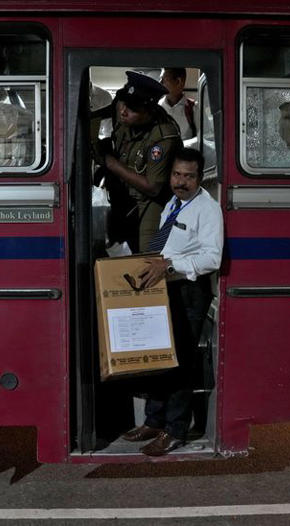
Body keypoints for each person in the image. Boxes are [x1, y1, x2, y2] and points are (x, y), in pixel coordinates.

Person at [121, 147, 223, 456]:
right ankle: (154, 420)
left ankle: (175, 429)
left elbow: (212, 257)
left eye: (188, 177)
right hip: (165, 288)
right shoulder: (173, 204)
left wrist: (169, 267)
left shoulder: (207, 209)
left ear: (199, 177)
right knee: (159, 356)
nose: (181, 182)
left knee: (180, 362)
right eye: (177, 175)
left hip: (189, 291)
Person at [92, 71, 182, 253]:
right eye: (124, 104)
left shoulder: (163, 136)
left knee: (147, 255)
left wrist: (111, 163)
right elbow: (112, 109)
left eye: (132, 108)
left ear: (149, 110)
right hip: (123, 193)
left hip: (151, 200)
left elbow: (153, 187)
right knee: (116, 247)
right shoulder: (122, 108)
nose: (124, 111)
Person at [159, 68, 197, 141]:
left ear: (178, 81)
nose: (160, 83)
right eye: (160, 79)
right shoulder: (156, 108)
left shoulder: (194, 109)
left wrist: (182, 147)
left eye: (164, 79)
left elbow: (205, 138)